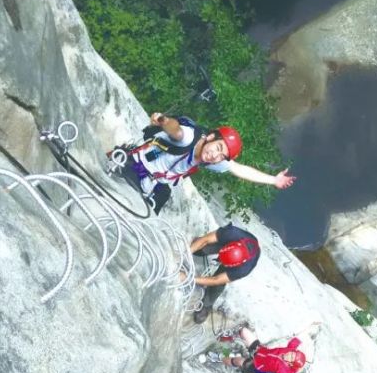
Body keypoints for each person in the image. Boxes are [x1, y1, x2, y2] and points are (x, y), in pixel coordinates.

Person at [114, 113, 296, 215]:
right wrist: (163, 120)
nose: (214, 155)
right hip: (138, 165)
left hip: (156, 182)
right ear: (210, 136)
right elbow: (176, 130)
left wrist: (273, 180)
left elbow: (238, 169)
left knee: (155, 206)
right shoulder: (189, 138)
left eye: (221, 155)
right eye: (218, 147)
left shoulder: (211, 159)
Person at [189, 224, 261, 323]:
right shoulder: (231, 233)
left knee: (219, 283)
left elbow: (217, 280)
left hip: (238, 259)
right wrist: (187, 253)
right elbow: (205, 240)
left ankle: (207, 305)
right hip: (231, 244)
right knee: (198, 246)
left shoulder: (243, 269)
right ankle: (200, 250)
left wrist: (190, 278)